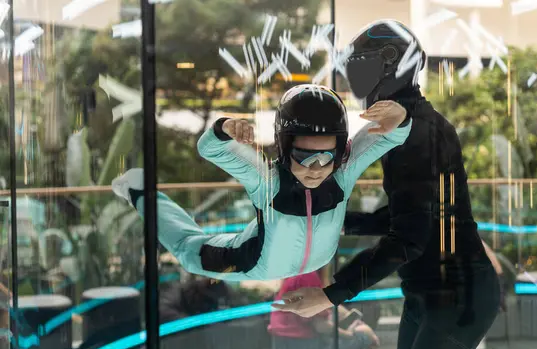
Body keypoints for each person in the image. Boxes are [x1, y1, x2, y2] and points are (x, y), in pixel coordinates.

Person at [272, 20, 501, 349]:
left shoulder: (418, 133)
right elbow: (405, 216)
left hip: (458, 296)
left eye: (359, 67)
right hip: (429, 293)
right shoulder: (407, 128)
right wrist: (326, 217)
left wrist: (330, 294)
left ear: (391, 67)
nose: (352, 78)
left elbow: (408, 238)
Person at [112, 84, 412, 281]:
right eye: (304, 157)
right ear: (284, 149)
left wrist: (402, 117)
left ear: (340, 150)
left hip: (320, 257)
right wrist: (224, 128)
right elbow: (210, 149)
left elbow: (385, 136)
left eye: (326, 157)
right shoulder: (267, 182)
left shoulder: (343, 172)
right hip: (253, 262)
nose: (316, 168)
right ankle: (137, 190)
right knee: (188, 251)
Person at [268, 269, 379, 349]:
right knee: (364, 338)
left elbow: (329, 304)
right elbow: (320, 326)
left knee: (360, 332)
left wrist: (351, 320)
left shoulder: (296, 274)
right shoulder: (307, 276)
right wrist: (351, 335)